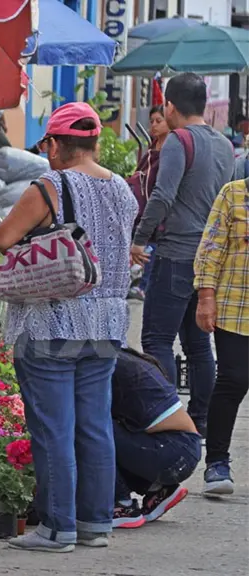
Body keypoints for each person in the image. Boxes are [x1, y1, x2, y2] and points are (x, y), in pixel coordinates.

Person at [0, 102, 137, 553]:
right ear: (93, 142)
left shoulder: (50, 185)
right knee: (94, 424)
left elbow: (3, 238)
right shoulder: (122, 190)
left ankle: (57, 527)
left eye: (46, 144)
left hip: (52, 322)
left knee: (53, 427)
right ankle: (95, 523)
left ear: (55, 145)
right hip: (107, 322)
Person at [132, 73, 233, 442]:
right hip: (210, 262)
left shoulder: (178, 140)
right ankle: (200, 421)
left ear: (170, 106)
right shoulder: (225, 146)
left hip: (175, 256)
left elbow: (162, 196)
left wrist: (139, 239)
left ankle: (166, 415)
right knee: (197, 345)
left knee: (157, 340)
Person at [193, 173, 249, 495]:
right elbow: (211, 248)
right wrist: (206, 298)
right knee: (235, 378)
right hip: (235, 307)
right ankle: (216, 462)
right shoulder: (232, 195)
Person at [109, 348, 200, 528]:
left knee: (88, 428)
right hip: (182, 449)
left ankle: (121, 504)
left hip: (172, 451)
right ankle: (156, 488)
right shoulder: (117, 357)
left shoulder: (107, 364)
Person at [127, 106, 170, 299]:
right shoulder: (151, 151)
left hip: (160, 216)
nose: (153, 125)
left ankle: (144, 286)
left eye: (158, 121)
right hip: (142, 212)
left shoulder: (171, 153)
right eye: (151, 121)